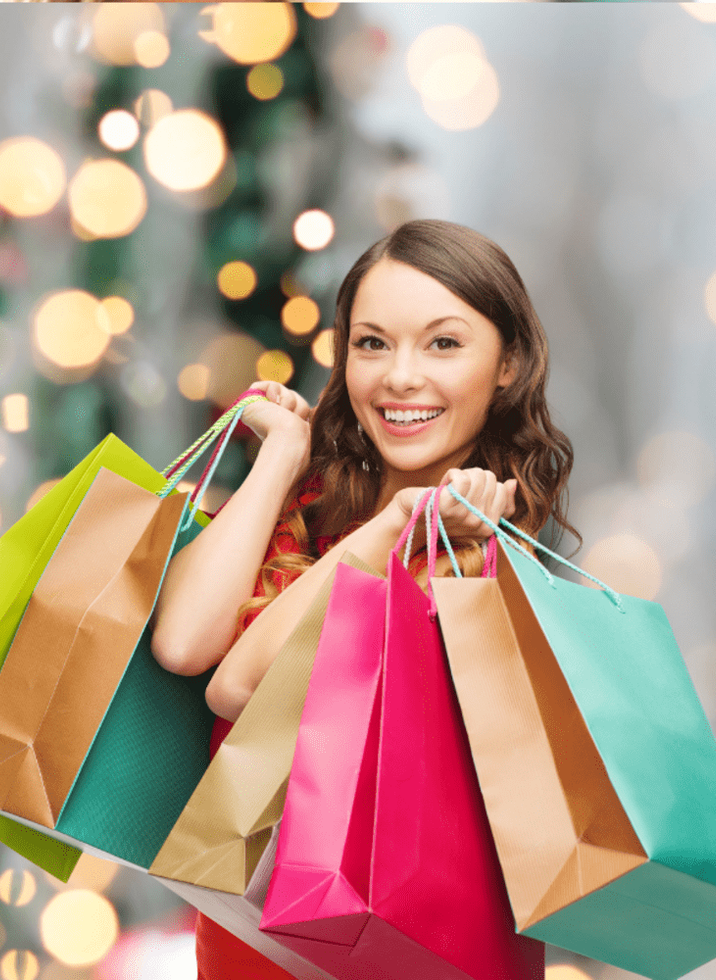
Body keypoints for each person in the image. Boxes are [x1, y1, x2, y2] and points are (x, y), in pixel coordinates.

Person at [151, 218, 576, 980]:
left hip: (386, 947)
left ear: (508, 363)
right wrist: (281, 459)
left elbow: (239, 687)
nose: (399, 378)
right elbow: (183, 644)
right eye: (372, 343)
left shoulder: (487, 566)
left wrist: (395, 526)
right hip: (250, 932)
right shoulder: (314, 496)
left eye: (443, 344)